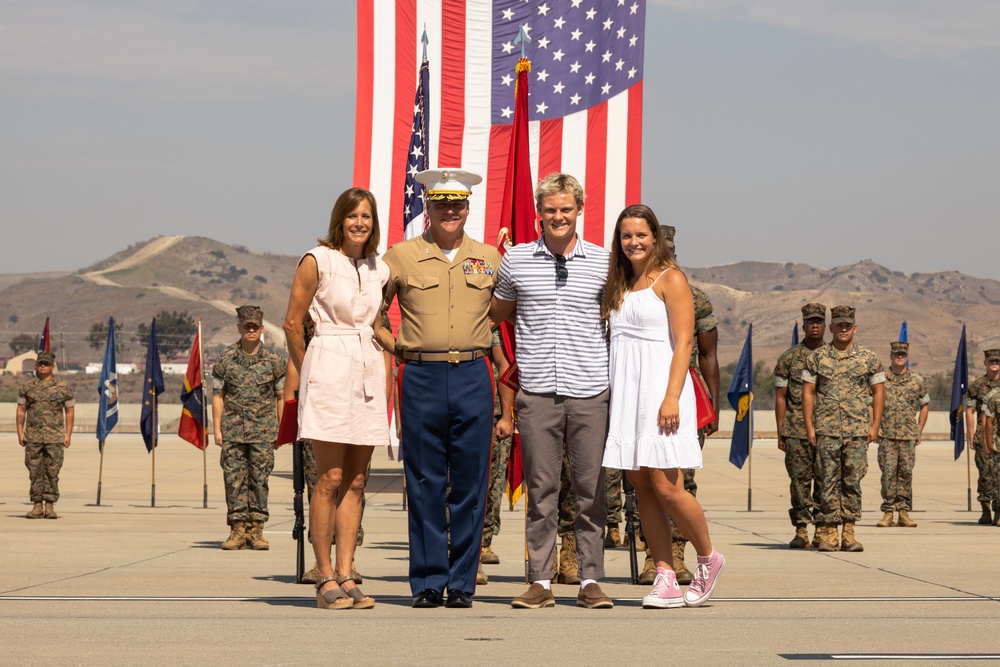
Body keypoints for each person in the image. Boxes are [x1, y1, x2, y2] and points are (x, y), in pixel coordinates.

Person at [490, 172, 614, 610]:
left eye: (566, 208)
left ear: (580, 210)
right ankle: (539, 581)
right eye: (549, 209)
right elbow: (496, 315)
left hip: (590, 390)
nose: (557, 216)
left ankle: (589, 579)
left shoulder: (604, 262)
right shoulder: (517, 261)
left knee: (589, 490)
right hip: (538, 391)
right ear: (539, 213)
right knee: (541, 490)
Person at [378, 168, 499, 609]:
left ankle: (462, 583)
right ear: (426, 208)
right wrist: (398, 347)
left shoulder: (489, 258)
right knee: (425, 481)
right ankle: (429, 580)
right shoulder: (400, 256)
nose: (450, 211)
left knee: (470, 483)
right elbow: (370, 310)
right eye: (441, 204)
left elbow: (504, 315)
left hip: (472, 374)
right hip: (421, 377)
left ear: (468, 208)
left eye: (458, 204)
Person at [602, 204, 726, 609]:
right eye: (626, 236)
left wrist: (672, 396)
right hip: (627, 397)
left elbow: (685, 342)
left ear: (654, 237)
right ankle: (666, 575)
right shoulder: (619, 284)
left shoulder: (671, 279)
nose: (633, 242)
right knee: (641, 488)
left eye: (640, 234)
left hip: (661, 394)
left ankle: (708, 558)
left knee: (668, 487)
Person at [283, 188, 389, 610]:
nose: (359, 223)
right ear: (339, 219)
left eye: (366, 216)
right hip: (329, 362)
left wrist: (406, 350)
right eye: (352, 215)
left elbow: (377, 325)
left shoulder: (378, 268)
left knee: (357, 480)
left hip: (366, 366)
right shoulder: (318, 260)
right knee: (328, 478)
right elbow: (292, 322)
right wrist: (311, 368)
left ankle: (347, 571)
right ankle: (323, 572)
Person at [802, 305, 885, 552]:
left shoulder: (868, 358)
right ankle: (828, 532)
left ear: (854, 328)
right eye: (839, 325)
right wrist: (809, 426)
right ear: (831, 328)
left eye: (848, 325)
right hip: (826, 430)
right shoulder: (817, 357)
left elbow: (879, 393)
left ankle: (849, 531)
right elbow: (808, 393)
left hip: (857, 430)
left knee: (852, 481)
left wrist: (875, 425)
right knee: (827, 481)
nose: (843, 329)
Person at [212, 305, 285, 551]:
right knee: (233, 481)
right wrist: (218, 429)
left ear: (262, 329)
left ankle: (256, 530)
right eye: (246, 326)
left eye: (255, 327)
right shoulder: (226, 358)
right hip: (233, 431)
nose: (251, 330)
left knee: (259, 480)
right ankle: (237, 530)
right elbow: (218, 395)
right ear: (239, 328)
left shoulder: (274, 361)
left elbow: (280, 397)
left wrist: (281, 429)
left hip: (263, 432)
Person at [773, 303, 827, 548]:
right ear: (803, 326)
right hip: (795, 431)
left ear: (825, 326)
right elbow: (781, 397)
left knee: (826, 480)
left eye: (819, 322)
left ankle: (822, 529)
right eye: (810, 322)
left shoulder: (833, 357)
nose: (814, 326)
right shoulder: (789, 358)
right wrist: (781, 432)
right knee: (799, 481)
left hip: (828, 430)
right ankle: (801, 529)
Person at [876, 341, 930, 528]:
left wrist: (919, 430)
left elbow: (924, 406)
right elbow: (871, 404)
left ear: (907, 357)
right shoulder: (880, 379)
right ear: (891, 356)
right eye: (896, 354)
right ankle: (888, 512)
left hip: (908, 436)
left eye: (903, 354)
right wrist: (873, 427)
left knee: (906, 473)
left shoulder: (916, 380)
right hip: (887, 435)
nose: (900, 357)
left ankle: (904, 512)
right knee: (888, 474)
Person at [16, 351, 74, 520]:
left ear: (52, 366)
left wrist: (68, 434)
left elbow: (69, 412)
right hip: (33, 436)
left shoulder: (63, 387)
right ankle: (36, 506)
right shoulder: (27, 386)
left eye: (46, 364)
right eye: (40, 363)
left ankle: (49, 505)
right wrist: (20, 432)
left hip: (55, 437)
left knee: (52, 471)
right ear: (36, 365)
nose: (43, 366)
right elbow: (21, 412)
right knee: (34, 471)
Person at [479, 330, 516, 585]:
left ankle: (484, 542)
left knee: (493, 485)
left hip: (493, 413)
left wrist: (506, 414)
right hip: (468, 410)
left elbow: (504, 364)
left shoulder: (491, 328)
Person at [965, 349, 1000, 525]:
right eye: (991, 361)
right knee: (985, 475)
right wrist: (970, 436)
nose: (995, 363)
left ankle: (998, 512)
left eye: (997, 361)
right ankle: (985, 509)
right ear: (985, 363)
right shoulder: (978, 385)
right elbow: (969, 411)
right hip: (983, 437)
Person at [979, 377, 1000, 527]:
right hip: (999, 445)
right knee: (997, 481)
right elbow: (988, 422)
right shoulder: (994, 396)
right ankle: (998, 512)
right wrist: (988, 443)